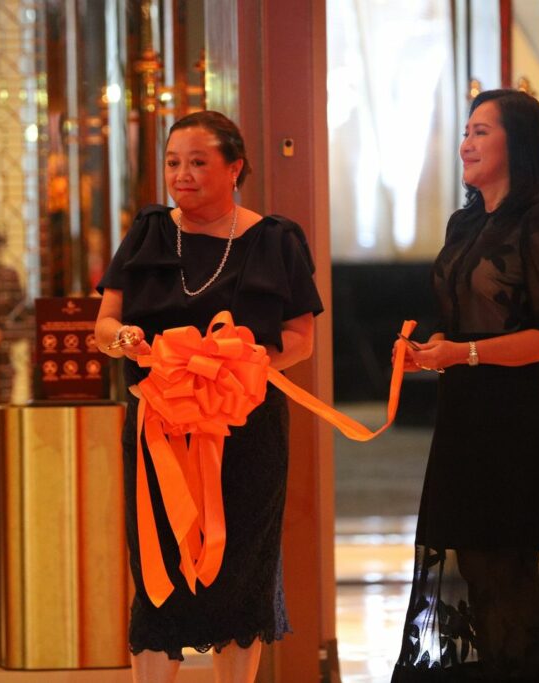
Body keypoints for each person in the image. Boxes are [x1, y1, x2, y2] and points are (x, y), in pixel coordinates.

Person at [95, 110, 324, 683]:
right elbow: (105, 324)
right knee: (160, 567)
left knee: (241, 570)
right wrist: (125, 341)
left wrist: (235, 368)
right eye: (173, 162)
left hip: (245, 427)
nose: (182, 174)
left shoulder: (276, 239)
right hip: (159, 426)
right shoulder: (148, 231)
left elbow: (301, 339)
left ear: (235, 167)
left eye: (198, 162)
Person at [390, 89, 539, 681]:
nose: (465, 144)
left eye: (481, 132)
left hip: (519, 419)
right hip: (464, 415)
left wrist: (464, 353)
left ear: (517, 145)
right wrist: (430, 351)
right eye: (466, 132)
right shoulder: (465, 221)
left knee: (507, 573)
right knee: (473, 562)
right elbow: (463, 320)